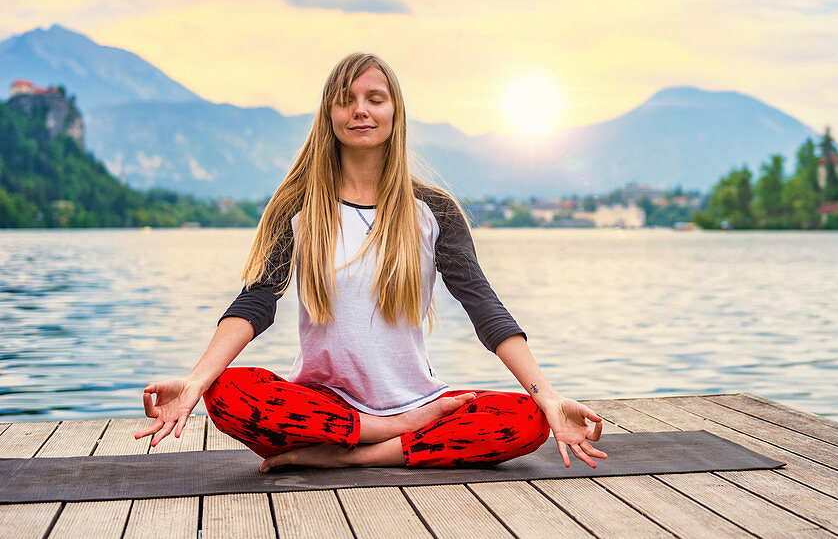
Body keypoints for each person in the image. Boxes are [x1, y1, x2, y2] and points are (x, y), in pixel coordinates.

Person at [135, 53, 607, 472]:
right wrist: (196, 383)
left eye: (375, 98)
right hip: (326, 405)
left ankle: (357, 453)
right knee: (228, 392)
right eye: (346, 99)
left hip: (417, 400)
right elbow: (256, 301)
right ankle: (393, 432)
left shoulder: (434, 210)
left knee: (526, 420)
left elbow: (484, 306)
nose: (360, 109)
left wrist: (548, 398)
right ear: (330, 115)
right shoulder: (296, 207)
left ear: (395, 112)